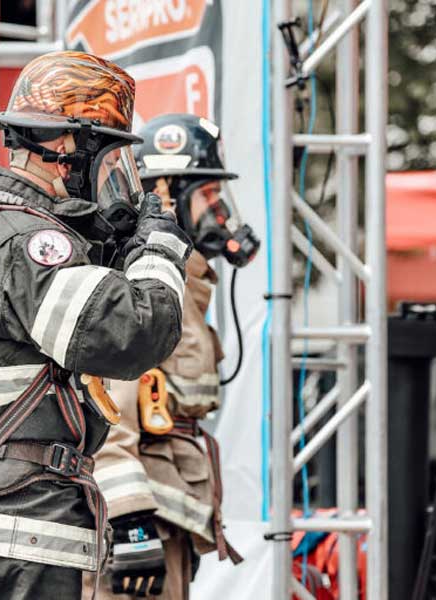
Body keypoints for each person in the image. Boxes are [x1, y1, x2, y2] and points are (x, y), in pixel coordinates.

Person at [0, 52, 192, 600]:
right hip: (10, 544)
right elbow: (135, 334)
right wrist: (159, 250)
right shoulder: (29, 244)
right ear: (65, 150)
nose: (114, 181)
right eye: (108, 159)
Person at [84, 114, 259, 599]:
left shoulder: (185, 290)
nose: (220, 213)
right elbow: (106, 414)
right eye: (207, 196)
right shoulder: (139, 285)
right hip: (139, 527)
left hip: (168, 522)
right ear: (165, 193)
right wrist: (131, 522)